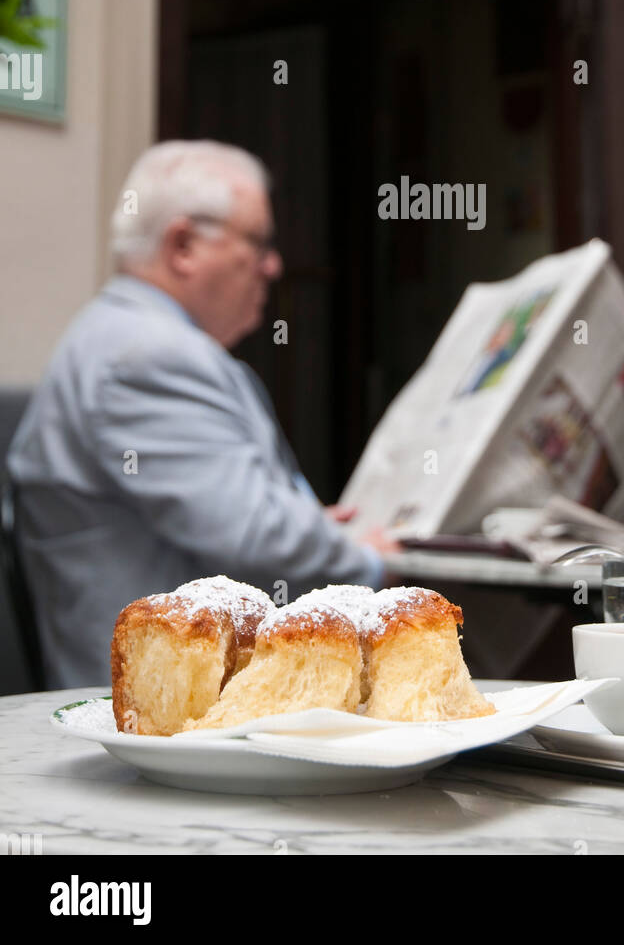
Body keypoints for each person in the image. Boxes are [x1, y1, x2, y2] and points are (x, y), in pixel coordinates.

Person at [7, 140, 398, 688]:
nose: (273, 264)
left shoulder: (128, 337)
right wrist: (369, 561)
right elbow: (253, 534)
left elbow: (234, 513)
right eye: (258, 241)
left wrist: (310, 524)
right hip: (171, 717)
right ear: (184, 245)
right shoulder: (147, 355)